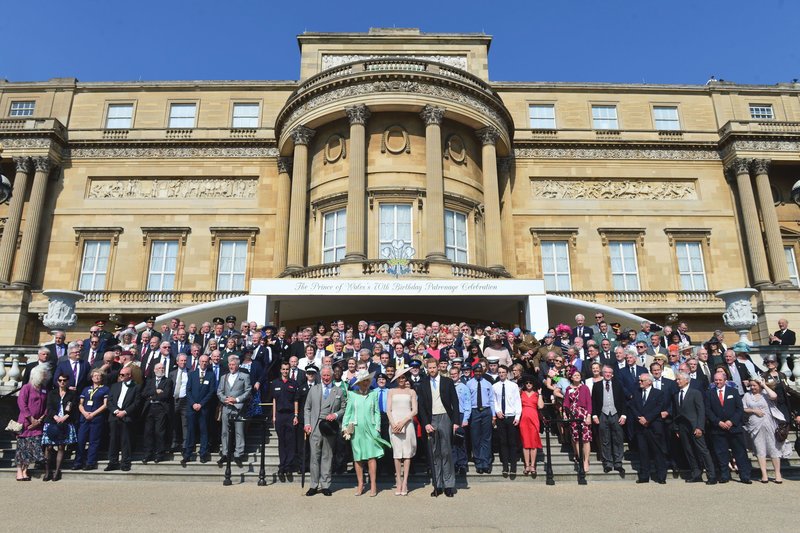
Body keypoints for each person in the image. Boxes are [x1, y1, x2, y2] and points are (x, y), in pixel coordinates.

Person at [341, 369, 390, 497]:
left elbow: (377, 413)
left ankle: (373, 484)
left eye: (367, 381)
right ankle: (360, 484)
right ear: (358, 383)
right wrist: (345, 427)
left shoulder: (374, 394)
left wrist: (377, 428)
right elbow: (348, 412)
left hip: (371, 429)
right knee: (357, 457)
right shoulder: (352, 395)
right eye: (363, 381)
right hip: (356, 429)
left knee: (371, 457)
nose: (365, 383)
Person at [416, 359, 460, 497]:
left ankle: (448, 485)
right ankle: (438, 484)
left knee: (446, 451)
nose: (432, 370)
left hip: (445, 416)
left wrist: (456, 422)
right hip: (431, 419)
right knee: (435, 452)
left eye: (434, 367)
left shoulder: (447, 382)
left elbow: (455, 402)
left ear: (438, 367)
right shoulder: (423, 384)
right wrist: (426, 423)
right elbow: (421, 406)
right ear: (427, 369)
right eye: (430, 368)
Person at [303, 365, 347, 496]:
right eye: (324, 375)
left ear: (332, 376)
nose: (326, 378)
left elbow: (344, 407)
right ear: (320, 376)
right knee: (314, 456)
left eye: (328, 375)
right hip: (315, 425)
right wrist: (307, 423)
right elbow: (307, 408)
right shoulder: (314, 390)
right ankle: (313, 485)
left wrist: (336, 415)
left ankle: (326, 485)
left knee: (327, 456)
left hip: (330, 427)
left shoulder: (338, 391)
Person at [706, 371, 752, 483]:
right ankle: (725, 476)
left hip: (734, 428)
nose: (718, 382)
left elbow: (739, 409)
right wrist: (718, 422)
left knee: (740, 452)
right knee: (721, 453)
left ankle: (745, 475)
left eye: (720, 380)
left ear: (725, 380)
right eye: (716, 380)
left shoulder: (733, 391)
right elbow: (708, 410)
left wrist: (731, 421)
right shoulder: (709, 393)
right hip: (718, 429)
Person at [742, 377, 790, 483]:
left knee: (773, 448)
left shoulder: (765, 393)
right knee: (760, 449)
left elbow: (774, 396)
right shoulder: (747, 395)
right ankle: (764, 474)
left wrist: (764, 385)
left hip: (769, 424)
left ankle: (777, 473)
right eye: (751, 385)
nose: (753, 387)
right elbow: (744, 408)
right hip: (754, 424)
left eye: (755, 385)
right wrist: (754, 410)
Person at [673, 372, 716, 484]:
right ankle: (696, 473)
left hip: (694, 426)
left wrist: (700, 427)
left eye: (679, 379)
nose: (677, 381)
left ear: (687, 380)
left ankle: (711, 475)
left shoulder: (695, 393)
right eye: (676, 379)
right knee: (689, 451)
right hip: (683, 427)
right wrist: (677, 428)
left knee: (703, 450)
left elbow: (701, 411)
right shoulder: (676, 394)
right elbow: (676, 413)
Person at [629, 373, 667, 484]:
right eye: (639, 380)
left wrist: (647, 419)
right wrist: (639, 418)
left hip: (654, 426)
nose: (639, 382)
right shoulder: (636, 393)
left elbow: (659, 407)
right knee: (643, 452)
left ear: (649, 382)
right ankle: (644, 476)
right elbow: (632, 406)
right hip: (640, 427)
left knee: (657, 452)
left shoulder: (658, 393)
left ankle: (661, 476)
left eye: (642, 380)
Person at [41, 370, 78, 481]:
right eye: (60, 380)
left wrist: (65, 417)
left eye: (64, 380)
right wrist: (56, 417)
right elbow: (49, 407)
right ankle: (47, 471)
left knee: (61, 446)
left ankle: (57, 471)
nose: (62, 382)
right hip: (52, 421)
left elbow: (73, 408)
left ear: (67, 382)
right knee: (48, 447)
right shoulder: (52, 393)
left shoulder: (72, 394)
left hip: (65, 421)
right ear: (57, 381)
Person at [386, 367, 418, 495]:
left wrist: (403, 422)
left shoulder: (412, 392)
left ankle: (405, 483)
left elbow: (414, 410)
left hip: (407, 424)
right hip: (394, 424)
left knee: (407, 454)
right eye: (399, 377)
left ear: (406, 379)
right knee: (397, 454)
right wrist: (394, 424)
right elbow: (388, 410)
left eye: (403, 377)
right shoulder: (391, 391)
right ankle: (398, 482)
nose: (401, 380)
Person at [15, 364, 50, 481]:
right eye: (43, 374)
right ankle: (20, 471)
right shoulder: (27, 387)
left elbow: (46, 406)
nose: (45, 376)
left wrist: (40, 419)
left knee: (32, 448)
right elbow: (22, 404)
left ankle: (26, 469)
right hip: (26, 423)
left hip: (38, 424)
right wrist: (31, 419)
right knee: (22, 448)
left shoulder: (44, 389)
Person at [591, 365, 626, 474]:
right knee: (604, 439)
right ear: (602, 373)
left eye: (610, 372)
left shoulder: (618, 384)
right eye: (606, 372)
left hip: (616, 414)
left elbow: (623, 400)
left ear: (612, 374)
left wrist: (624, 415)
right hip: (602, 414)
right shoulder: (596, 385)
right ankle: (608, 463)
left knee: (618, 439)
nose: (608, 374)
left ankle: (618, 463)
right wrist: (594, 415)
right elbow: (594, 401)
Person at [216, 355, 251, 468]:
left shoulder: (244, 376)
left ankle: (238, 454)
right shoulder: (224, 377)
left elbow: (248, 391)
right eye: (230, 364)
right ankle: (225, 453)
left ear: (238, 365)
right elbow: (219, 391)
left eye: (233, 364)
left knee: (239, 431)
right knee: (224, 431)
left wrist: (236, 400)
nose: (231, 366)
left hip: (238, 407)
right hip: (226, 407)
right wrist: (225, 399)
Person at [106, 366, 142, 472]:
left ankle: (125, 463)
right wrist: (115, 411)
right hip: (114, 416)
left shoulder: (136, 387)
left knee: (125, 440)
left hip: (127, 417)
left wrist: (125, 412)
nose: (120, 376)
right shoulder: (115, 386)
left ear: (129, 375)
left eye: (123, 374)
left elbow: (137, 403)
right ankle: (112, 462)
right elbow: (110, 401)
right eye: (120, 374)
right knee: (113, 440)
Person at [72, 369, 109, 471]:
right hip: (84, 417)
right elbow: (80, 403)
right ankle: (78, 462)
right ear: (91, 377)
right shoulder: (86, 389)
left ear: (102, 378)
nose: (96, 377)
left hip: (96, 417)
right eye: (94, 375)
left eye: (99, 376)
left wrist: (93, 414)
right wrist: (84, 412)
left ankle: (90, 462)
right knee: (81, 440)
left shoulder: (105, 389)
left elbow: (105, 405)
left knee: (93, 441)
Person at [183, 354, 216, 465]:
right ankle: (187, 454)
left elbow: (211, 392)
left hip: (204, 408)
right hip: (192, 408)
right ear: (199, 362)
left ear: (208, 362)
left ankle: (203, 454)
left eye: (206, 361)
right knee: (191, 431)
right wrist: (193, 404)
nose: (204, 363)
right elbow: (188, 391)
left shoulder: (211, 375)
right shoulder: (192, 374)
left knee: (204, 432)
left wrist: (201, 404)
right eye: (202, 361)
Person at [270, 361, 299, 480]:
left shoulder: (294, 383)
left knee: (290, 442)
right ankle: (282, 467)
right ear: (281, 370)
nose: (285, 371)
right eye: (284, 369)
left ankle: (288, 467)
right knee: (281, 442)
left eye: (287, 369)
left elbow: (296, 400)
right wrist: (274, 416)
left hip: (290, 415)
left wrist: (296, 415)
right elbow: (274, 400)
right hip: (280, 416)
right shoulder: (276, 383)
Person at [465, 363, 495, 475]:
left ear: (482, 371)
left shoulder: (487, 383)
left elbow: (491, 400)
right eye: (476, 371)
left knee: (486, 438)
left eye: (479, 371)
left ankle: (485, 463)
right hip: (474, 411)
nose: (478, 373)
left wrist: (493, 415)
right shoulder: (469, 384)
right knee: (476, 438)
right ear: (473, 372)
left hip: (486, 411)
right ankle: (478, 463)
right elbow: (467, 400)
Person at [141, 362, 174, 464]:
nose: (161, 370)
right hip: (150, 408)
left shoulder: (168, 381)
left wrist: (151, 395)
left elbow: (166, 395)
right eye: (159, 368)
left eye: (163, 368)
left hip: (161, 408)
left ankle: (159, 454)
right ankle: (148, 454)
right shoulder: (150, 381)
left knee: (159, 432)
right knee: (148, 432)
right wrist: (156, 391)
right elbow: (144, 394)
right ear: (155, 370)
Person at [492, 365, 521, 476]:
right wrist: (497, 411)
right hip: (501, 417)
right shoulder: (495, 386)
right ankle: (505, 466)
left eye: (503, 372)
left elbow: (517, 401)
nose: (501, 374)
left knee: (512, 442)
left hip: (511, 416)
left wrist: (517, 416)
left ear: (507, 373)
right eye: (499, 372)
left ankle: (513, 466)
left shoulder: (513, 386)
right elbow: (494, 401)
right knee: (503, 442)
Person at [562, 368, 592, 473]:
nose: (577, 377)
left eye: (578, 375)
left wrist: (588, 416)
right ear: (571, 377)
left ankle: (586, 460)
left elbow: (589, 402)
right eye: (575, 375)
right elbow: (566, 403)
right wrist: (565, 414)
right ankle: (579, 458)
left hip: (583, 414)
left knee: (586, 438)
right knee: (576, 438)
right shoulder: (568, 388)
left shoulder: (585, 388)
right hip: (573, 415)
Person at [518, 375, 544, 476]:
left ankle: (533, 465)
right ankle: (526, 465)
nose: (528, 384)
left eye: (530, 383)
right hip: (523, 418)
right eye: (527, 383)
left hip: (534, 418)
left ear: (533, 384)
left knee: (533, 443)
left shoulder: (537, 394)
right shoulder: (521, 393)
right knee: (525, 442)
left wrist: (541, 394)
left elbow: (541, 406)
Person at [449, 366, 471, 475]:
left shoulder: (464, 387)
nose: (453, 375)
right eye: (451, 374)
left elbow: (467, 403)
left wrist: (466, 418)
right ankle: (454, 463)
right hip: (451, 416)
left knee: (460, 441)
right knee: (452, 441)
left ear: (459, 375)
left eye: (455, 374)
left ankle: (462, 464)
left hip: (461, 415)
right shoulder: (448, 386)